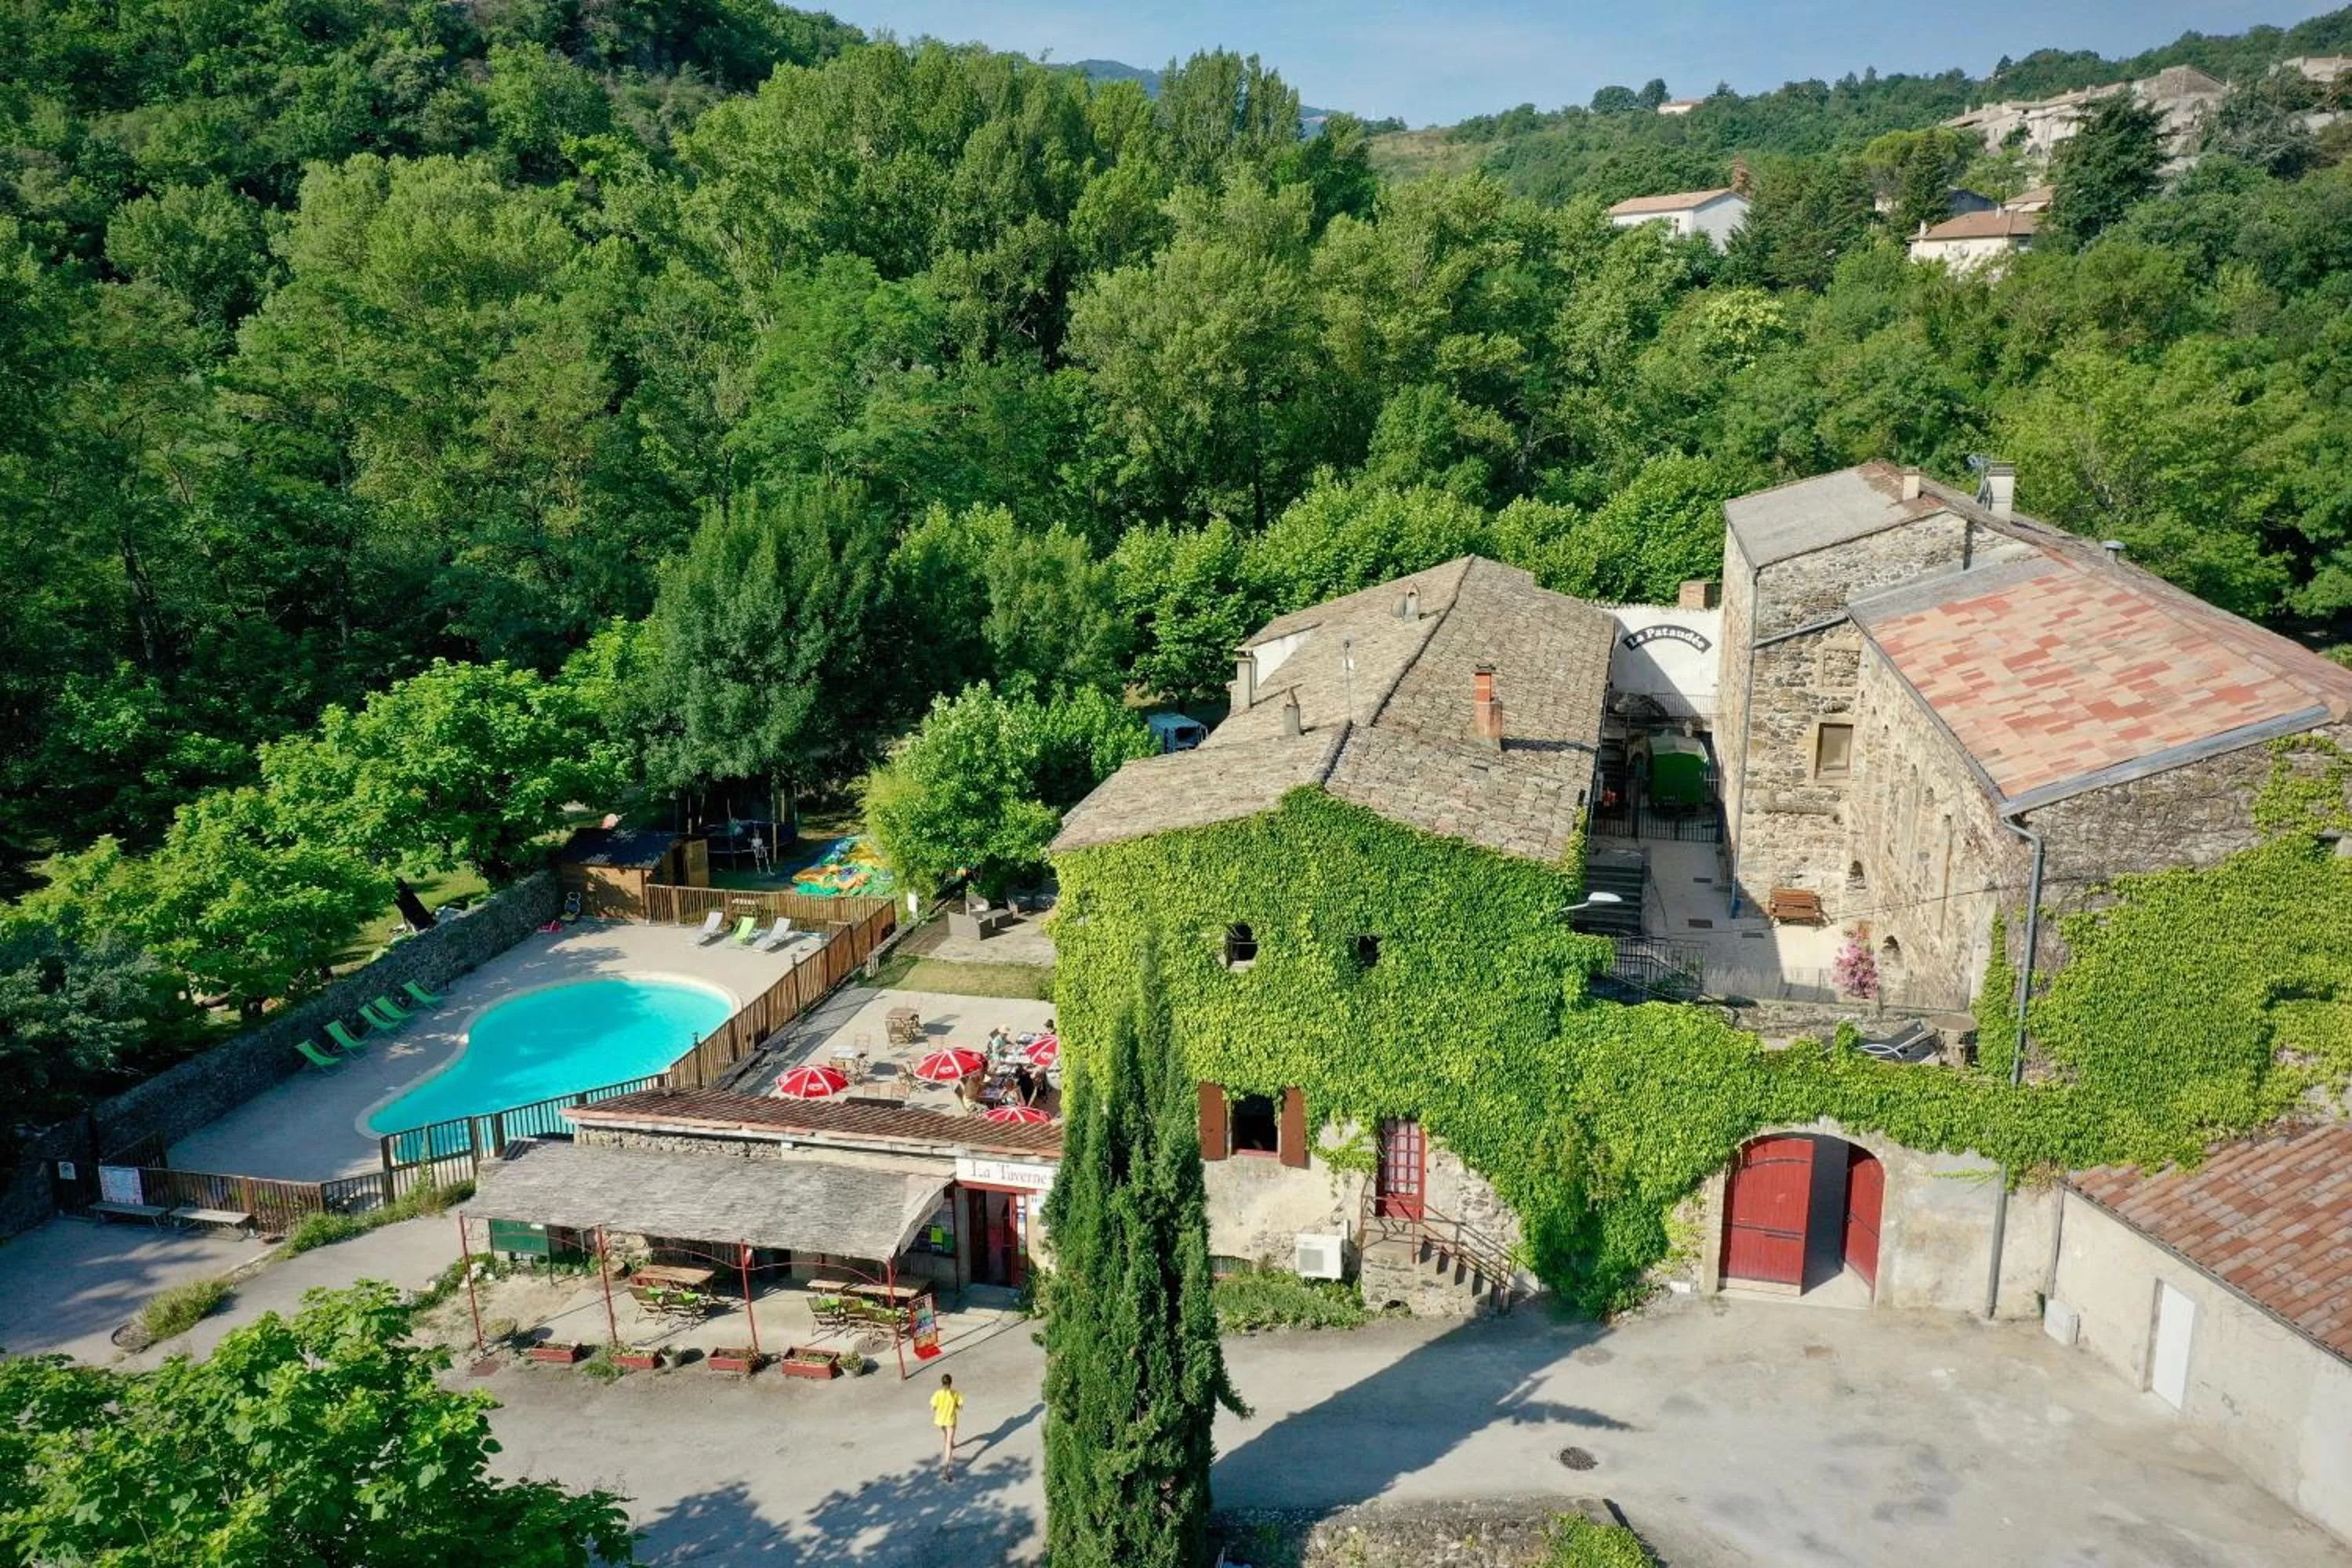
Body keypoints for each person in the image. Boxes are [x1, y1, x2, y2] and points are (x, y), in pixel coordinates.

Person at [931, 1372, 964, 1477]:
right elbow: (960, 1407)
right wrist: (955, 1406)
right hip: (950, 1420)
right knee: (948, 1442)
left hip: (940, 1420)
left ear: (942, 1383)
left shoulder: (937, 1394)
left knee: (946, 1434)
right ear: (951, 1383)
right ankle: (946, 1469)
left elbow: (933, 1407)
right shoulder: (955, 1394)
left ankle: (952, 1443)